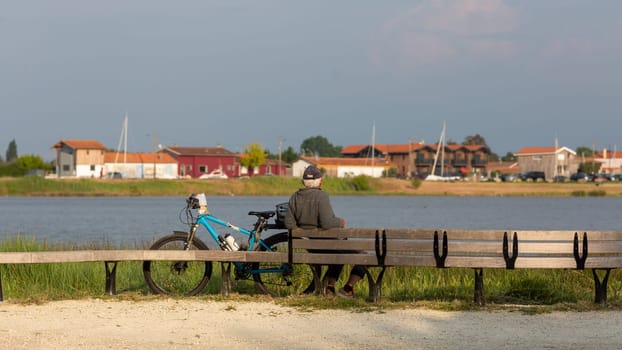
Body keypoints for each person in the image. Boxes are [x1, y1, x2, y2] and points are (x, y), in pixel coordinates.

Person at [284, 165, 365, 298]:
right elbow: (327, 223)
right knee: (363, 255)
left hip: (309, 247)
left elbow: (289, 223)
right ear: (319, 181)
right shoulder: (321, 196)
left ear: (303, 182)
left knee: (338, 253)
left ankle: (330, 289)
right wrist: (340, 222)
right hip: (325, 245)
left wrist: (303, 233)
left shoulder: (295, 197)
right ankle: (347, 288)